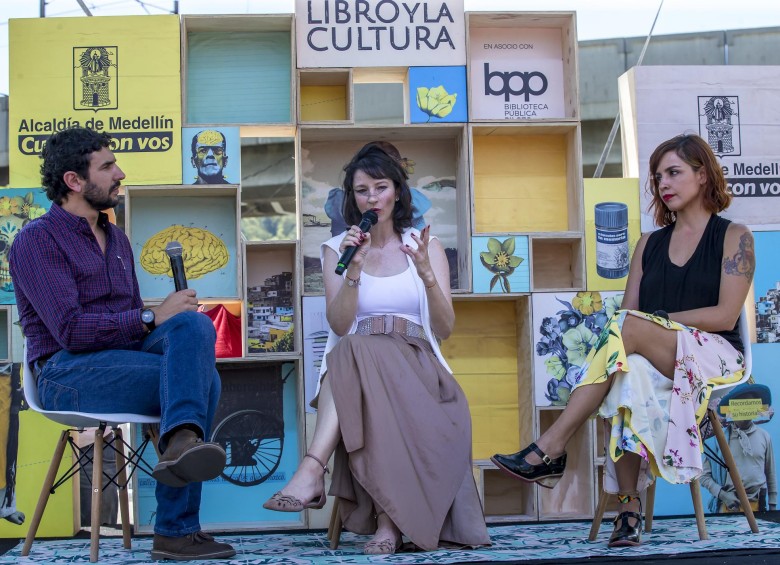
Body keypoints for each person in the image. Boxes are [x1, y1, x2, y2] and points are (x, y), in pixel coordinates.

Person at [492, 133, 754, 547]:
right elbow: (628, 320)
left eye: (674, 173)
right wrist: (646, 330)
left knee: (629, 331)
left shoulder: (733, 236)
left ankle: (551, 447)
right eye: (657, 176)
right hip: (655, 353)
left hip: (715, 353)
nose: (663, 183)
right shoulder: (648, 244)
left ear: (702, 176)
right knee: (629, 377)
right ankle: (627, 510)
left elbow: (724, 315)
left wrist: (659, 324)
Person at [9, 127, 235, 561]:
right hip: (65, 372)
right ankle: (176, 528)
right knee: (203, 382)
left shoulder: (117, 240)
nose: (120, 173)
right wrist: (153, 314)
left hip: (122, 362)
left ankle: (182, 443)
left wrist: (168, 319)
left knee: (195, 328)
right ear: (75, 181)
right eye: (108, 166)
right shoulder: (37, 241)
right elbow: (71, 332)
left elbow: (134, 330)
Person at [262, 142, 490, 554]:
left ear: (397, 192)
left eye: (380, 187)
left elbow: (446, 328)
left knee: (353, 354)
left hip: (422, 372)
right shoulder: (336, 249)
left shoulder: (425, 245)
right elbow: (339, 324)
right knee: (354, 349)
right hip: (362, 370)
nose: (372, 197)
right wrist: (353, 271)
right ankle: (389, 522)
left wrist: (427, 274)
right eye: (362, 190)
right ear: (352, 198)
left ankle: (313, 470)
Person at [700, 384, 777, 514]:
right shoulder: (719, 441)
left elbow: (770, 474)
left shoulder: (765, 437)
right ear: (730, 408)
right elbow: (703, 476)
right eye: (738, 404)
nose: (743, 410)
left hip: (759, 506)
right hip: (728, 507)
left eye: (749, 404)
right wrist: (723, 495)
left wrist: (773, 507)